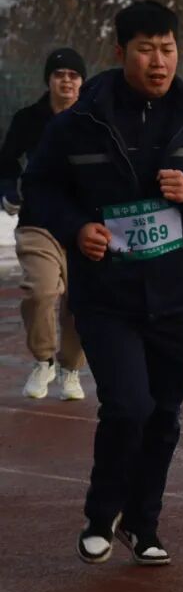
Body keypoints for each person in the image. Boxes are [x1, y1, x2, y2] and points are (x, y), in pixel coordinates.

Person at [22, 0, 183, 566]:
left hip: (176, 297)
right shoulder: (79, 123)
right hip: (107, 296)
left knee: (164, 414)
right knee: (127, 406)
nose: (159, 61)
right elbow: (40, 189)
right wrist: (77, 228)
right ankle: (102, 514)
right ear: (121, 52)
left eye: (167, 49)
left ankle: (143, 523)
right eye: (146, 49)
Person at [0, 48, 88, 401]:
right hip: (39, 222)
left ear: (82, 82)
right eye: (59, 74)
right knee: (40, 291)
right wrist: (9, 191)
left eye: (73, 75)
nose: (66, 81)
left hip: (84, 225)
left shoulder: (93, 120)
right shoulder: (29, 119)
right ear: (49, 80)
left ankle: (70, 369)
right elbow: (6, 162)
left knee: (81, 302)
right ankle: (43, 360)